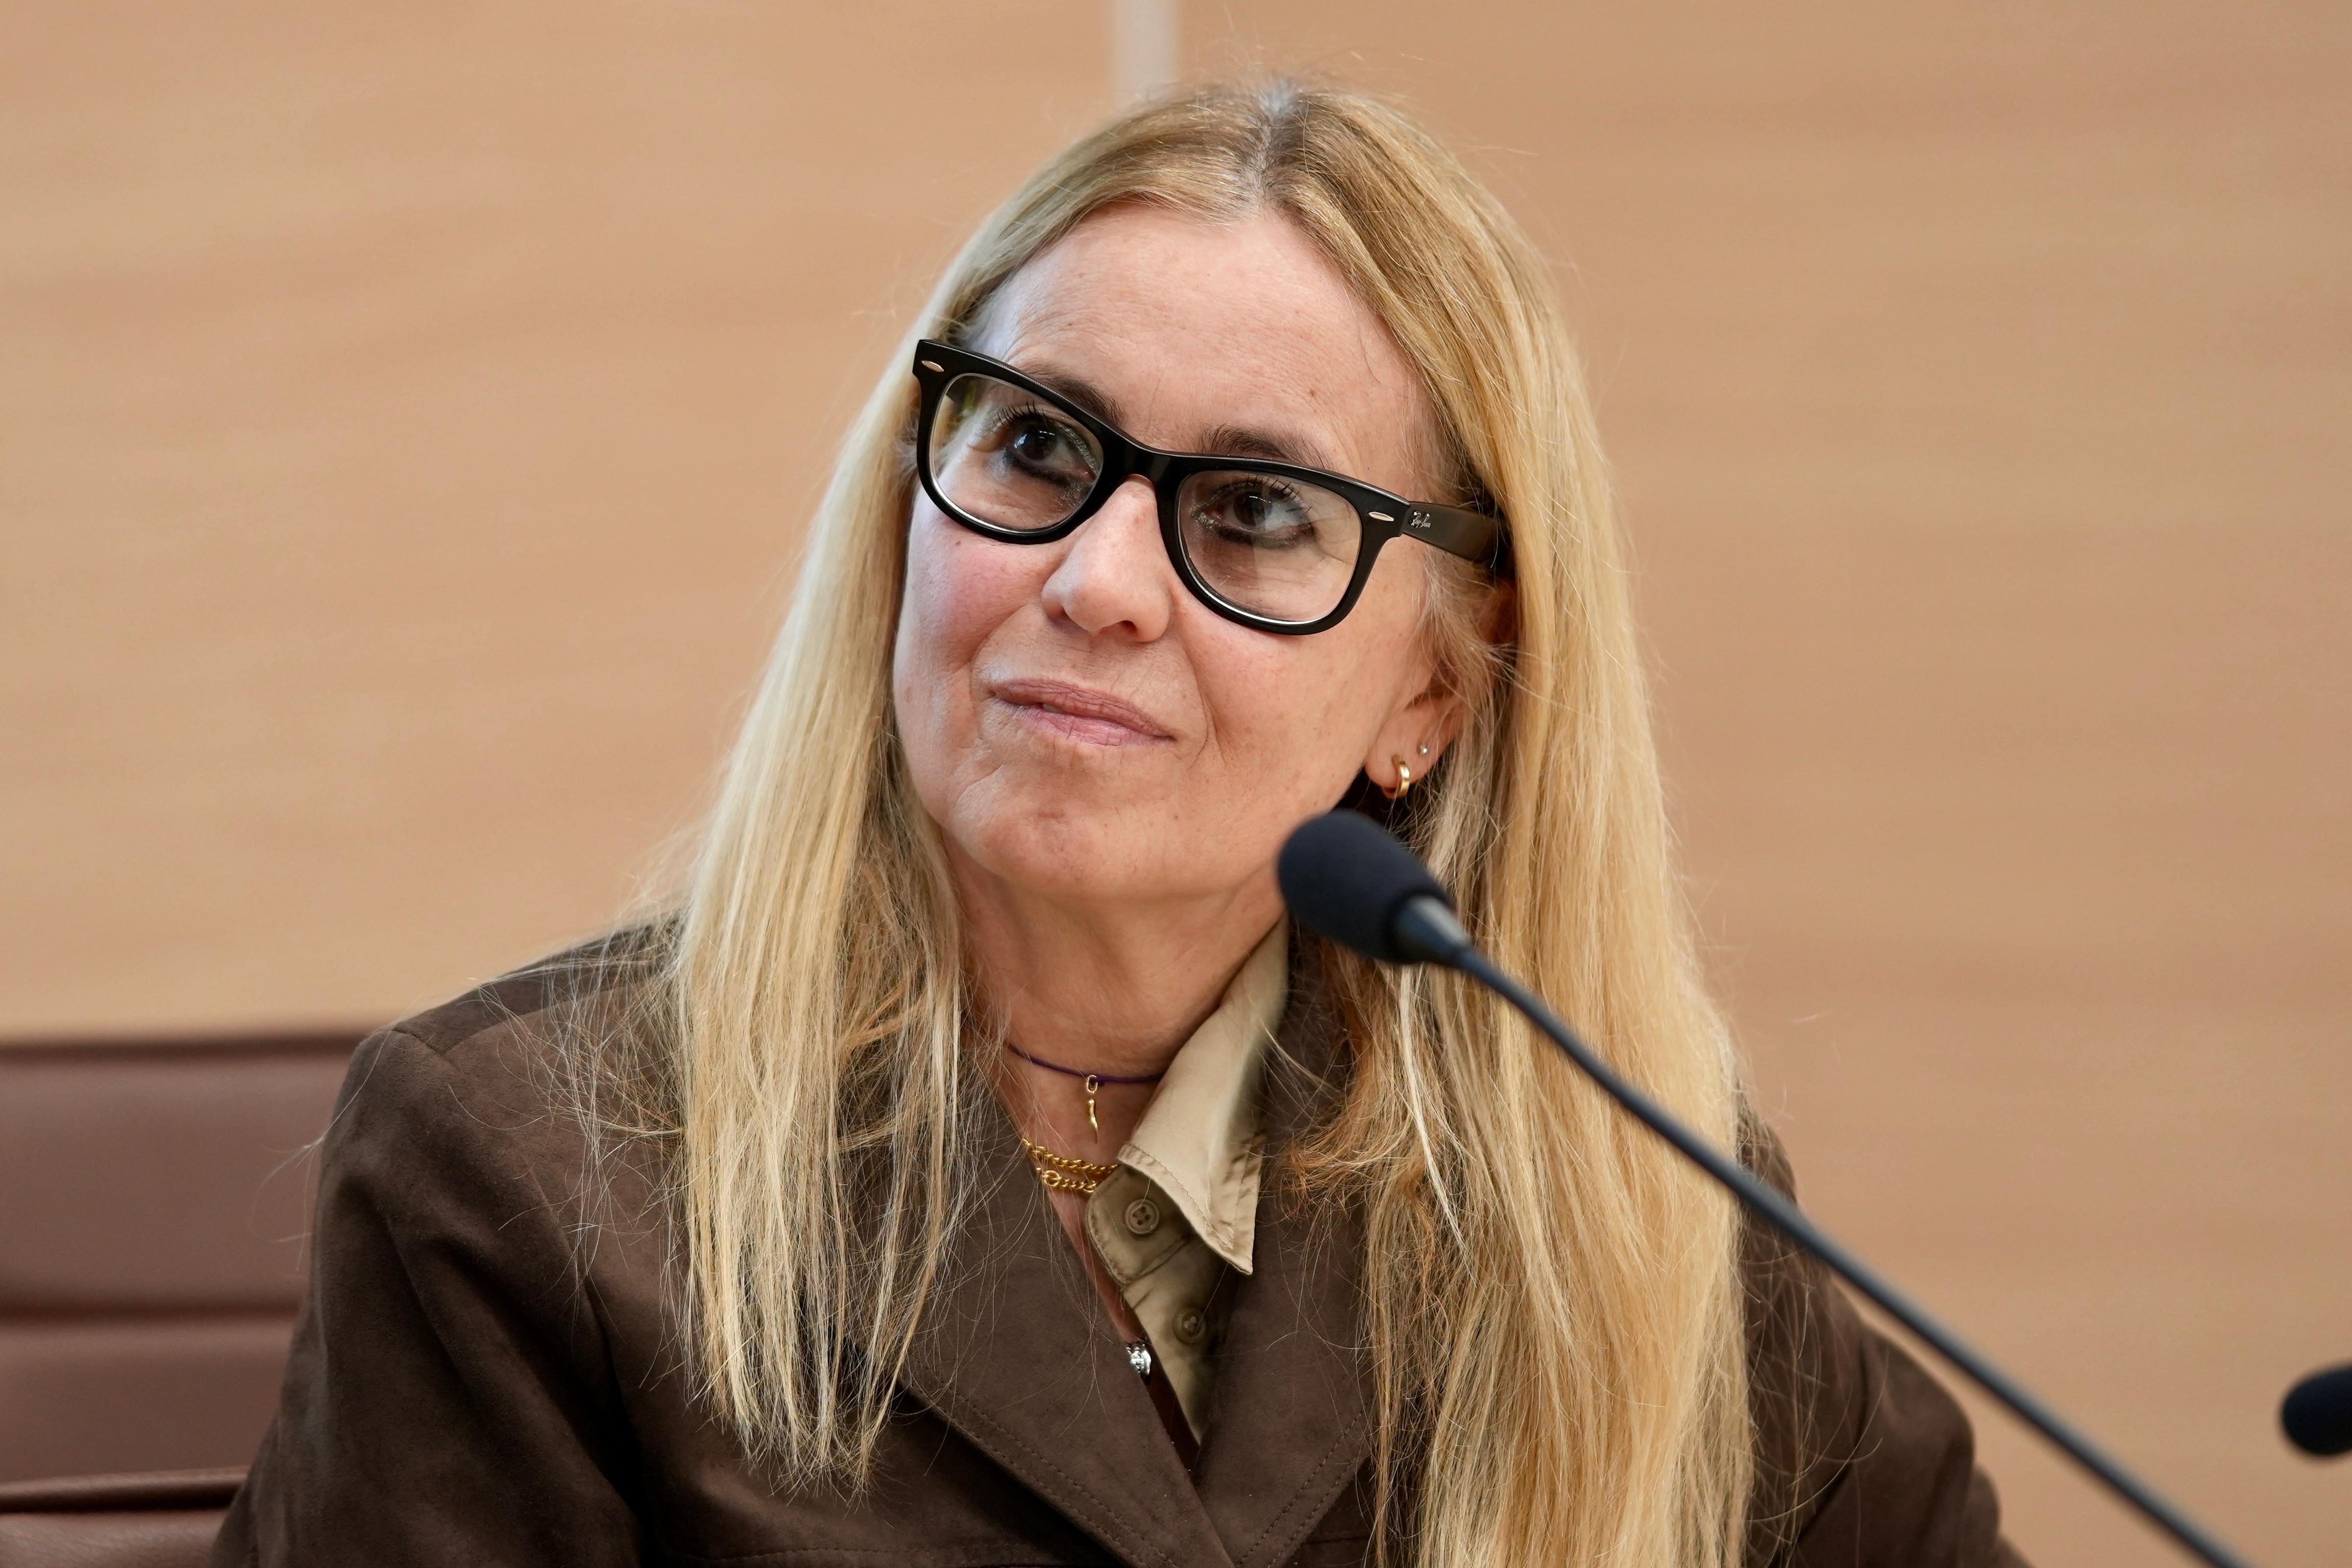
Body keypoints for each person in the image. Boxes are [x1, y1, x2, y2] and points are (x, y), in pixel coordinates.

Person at [214, 80, 2022, 1568]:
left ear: (1436, 690)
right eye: (1035, 449)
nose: (1095, 582)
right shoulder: (529, 1176)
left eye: (1253, 513)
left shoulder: (1618, 1194)